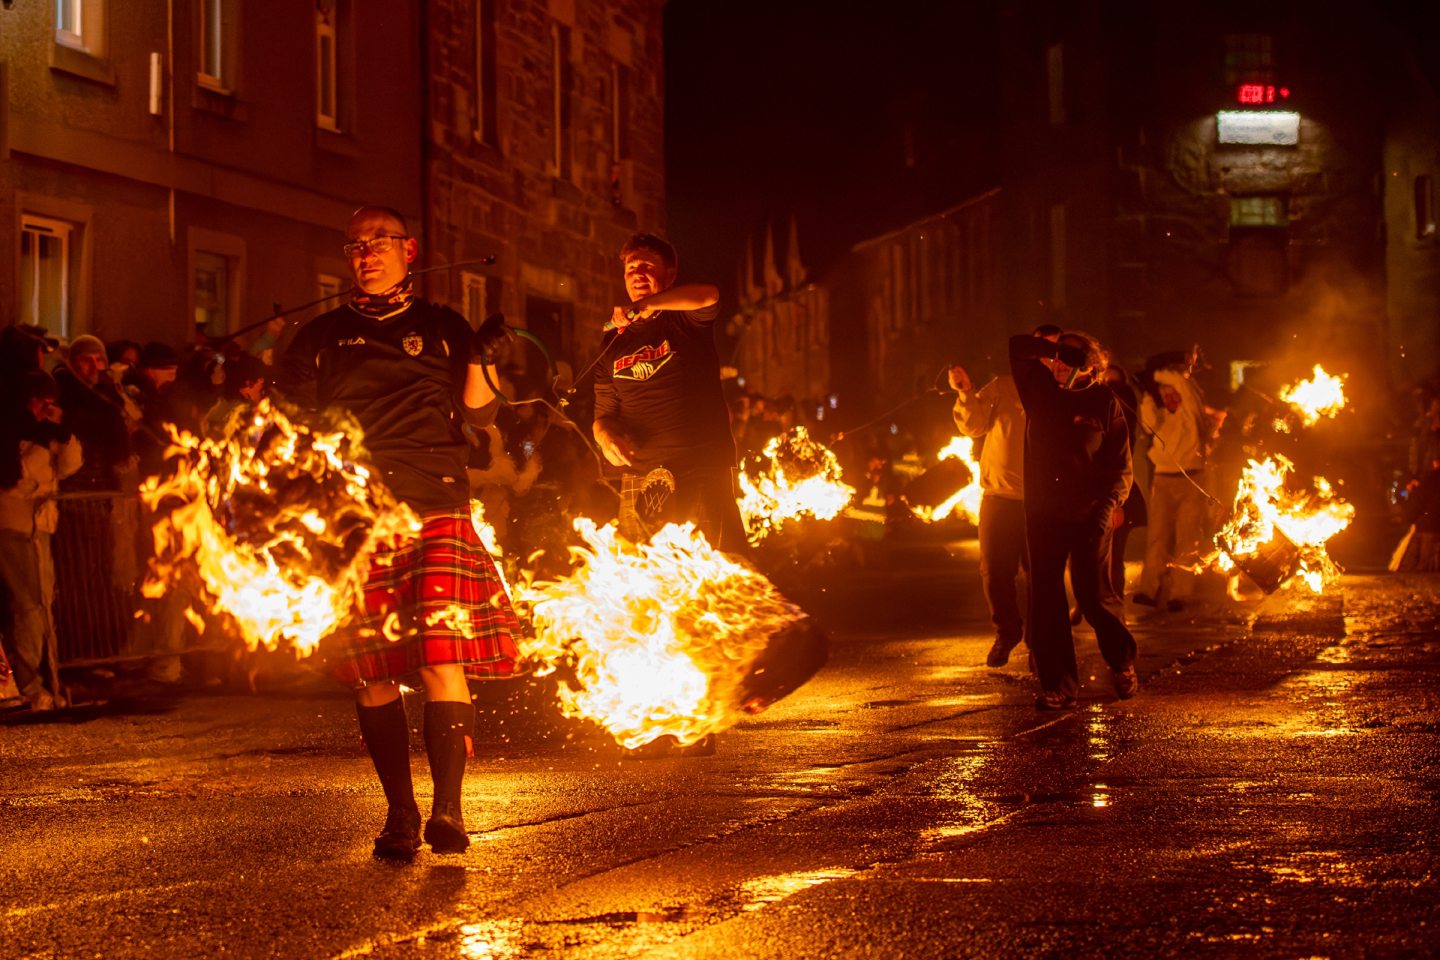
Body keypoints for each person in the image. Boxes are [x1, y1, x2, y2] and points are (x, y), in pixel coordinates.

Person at [279, 204, 520, 861]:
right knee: (372, 675)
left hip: (437, 502)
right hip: (359, 518)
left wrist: (484, 355)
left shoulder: (443, 325)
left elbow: (479, 410)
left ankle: (449, 812)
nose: (366, 254)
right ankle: (399, 814)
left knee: (444, 656)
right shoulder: (320, 336)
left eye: (379, 242)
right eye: (355, 245)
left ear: (409, 251)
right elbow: (286, 421)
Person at [1009, 330, 1138, 709]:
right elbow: (1016, 346)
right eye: (1058, 359)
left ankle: (1122, 662)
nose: (1060, 366)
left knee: (1093, 595)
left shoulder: (1103, 401)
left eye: (1071, 359)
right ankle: (1058, 685)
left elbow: (1120, 467)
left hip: (1089, 514)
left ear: (1091, 366)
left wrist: (1106, 506)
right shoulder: (1037, 390)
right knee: (1047, 598)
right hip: (1044, 513)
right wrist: (1053, 349)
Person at [592, 233, 744, 551]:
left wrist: (646, 306)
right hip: (642, 477)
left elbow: (710, 294)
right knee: (646, 588)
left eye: (647, 265)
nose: (637, 273)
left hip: (701, 466)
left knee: (720, 581)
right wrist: (605, 437)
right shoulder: (611, 342)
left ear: (669, 274)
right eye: (631, 267)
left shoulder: (685, 317)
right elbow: (603, 416)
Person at [0, 371, 83, 712]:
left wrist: (62, 434)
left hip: (40, 530)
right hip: (15, 528)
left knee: (42, 605)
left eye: (51, 403)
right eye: (40, 402)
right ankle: (29, 683)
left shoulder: (45, 434)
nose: (45, 410)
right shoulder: (10, 431)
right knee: (30, 606)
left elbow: (70, 465)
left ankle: (46, 679)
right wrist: (34, 491)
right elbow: (11, 481)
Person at [948, 355, 1029, 668]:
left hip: (1039, 499)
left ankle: (1041, 640)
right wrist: (965, 393)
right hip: (998, 496)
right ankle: (1007, 631)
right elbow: (973, 425)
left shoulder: (1058, 390)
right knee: (994, 572)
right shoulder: (1003, 387)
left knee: (1039, 577)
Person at [1135, 350, 1211, 611]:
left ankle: (1181, 593)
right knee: (1157, 537)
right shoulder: (1162, 417)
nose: (1169, 397)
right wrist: (1148, 392)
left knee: (1187, 539)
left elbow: (1184, 387)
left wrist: (1154, 373)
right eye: (1164, 394)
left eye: (1173, 392)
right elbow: (1147, 423)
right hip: (1163, 479)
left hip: (1192, 479)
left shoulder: (1191, 412)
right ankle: (1148, 589)